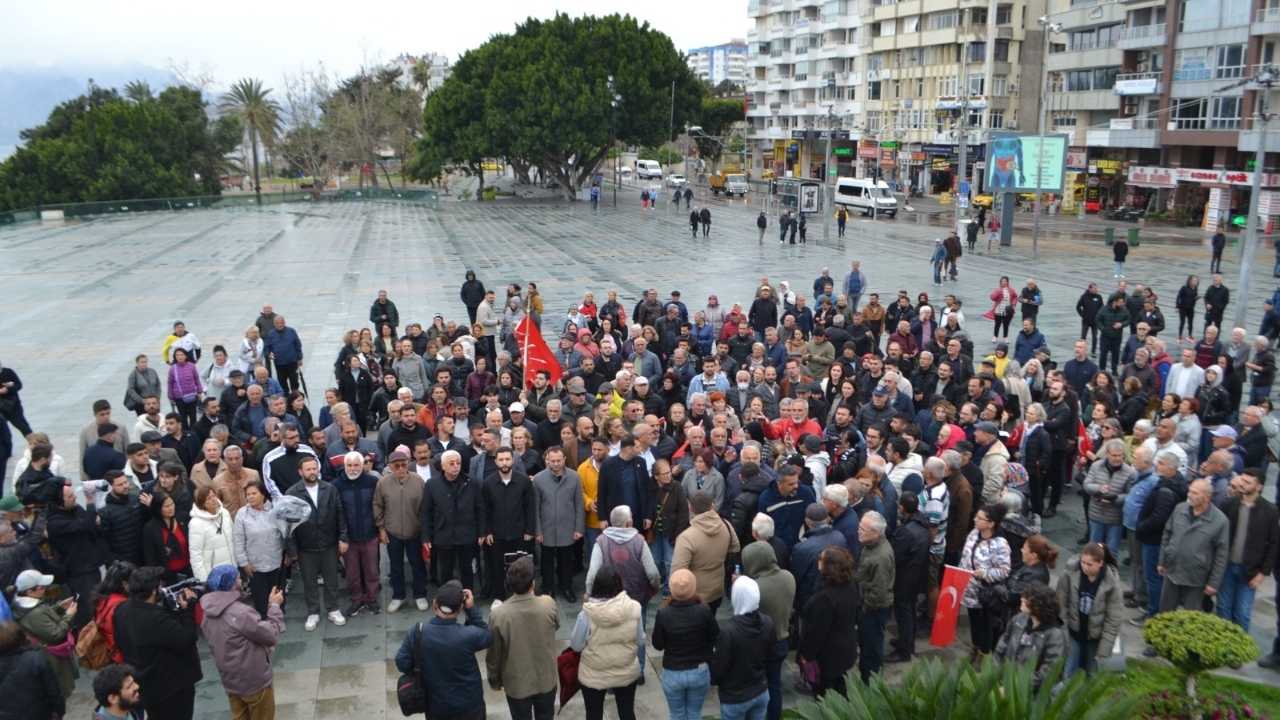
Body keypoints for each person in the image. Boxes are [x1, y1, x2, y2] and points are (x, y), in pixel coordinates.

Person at [113, 566, 203, 720]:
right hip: (171, 688)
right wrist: (187, 610)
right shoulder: (155, 618)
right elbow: (186, 639)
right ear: (154, 591)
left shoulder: (121, 610)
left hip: (144, 685)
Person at [396, 580, 491, 720]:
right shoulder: (469, 635)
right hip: (470, 706)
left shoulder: (417, 633)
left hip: (437, 707)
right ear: (460, 609)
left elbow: (402, 663)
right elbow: (487, 635)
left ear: (434, 604)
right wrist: (471, 609)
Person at [199, 565, 284, 720]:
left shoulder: (207, 614)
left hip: (231, 682)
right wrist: (274, 607)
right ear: (231, 584)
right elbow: (270, 634)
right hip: (255, 682)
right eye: (237, 578)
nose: (240, 580)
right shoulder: (240, 613)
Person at [487, 557, 559, 720]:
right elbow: (556, 625)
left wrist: (494, 680)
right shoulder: (548, 603)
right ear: (532, 583)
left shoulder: (498, 614)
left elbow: (494, 653)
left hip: (517, 684)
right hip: (545, 679)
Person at [570, 566, 644, 720]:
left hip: (593, 675)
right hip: (626, 672)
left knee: (593, 714)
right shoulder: (634, 608)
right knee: (627, 712)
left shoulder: (586, 615)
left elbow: (576, 646)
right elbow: (641, 640)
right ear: (619, 585)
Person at [285, 456, 348, 631]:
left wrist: (343, 538)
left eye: (314, 468)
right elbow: (288, 524)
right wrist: (292, 551)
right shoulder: (292, 493)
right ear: (300, 472)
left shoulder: (330, 489)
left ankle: (333, 609)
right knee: (309, 582)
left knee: (331, 580)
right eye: (308, 469)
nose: (312, 472)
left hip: (329, 544)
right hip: (305, 546)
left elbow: (339, 514)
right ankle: (313, 612)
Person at [652, 568, 718, 720]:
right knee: (695, 713)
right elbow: (715, 636)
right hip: (699, 671)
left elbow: (658, 645)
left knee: (677, 714)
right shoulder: (704, 611)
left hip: (673, 673)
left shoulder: (663, 614)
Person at [1217, 468, 1278, 631]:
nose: (1242, 484)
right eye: (1242, 480)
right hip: (1227, 566)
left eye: (1247, 482)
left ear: (1259, 487)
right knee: (1223, 609)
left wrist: (1262, 573)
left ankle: (1238, 653)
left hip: (1250, 570)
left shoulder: (1270, 511)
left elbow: (1274, 544)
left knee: (1242, 613)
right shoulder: (1230, 504)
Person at [1158, 478, 1228, 613]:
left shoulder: (1220, 521)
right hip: (1172, 570)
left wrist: (1213, 583)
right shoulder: (1179, 508)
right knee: (1165, 612)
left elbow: (1221, 555)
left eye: (1195, 493)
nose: (1189, 495)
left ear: (1207, 497)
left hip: (1196, 578)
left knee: (1191, 615)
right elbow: (1167, 534)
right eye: (1190, 491)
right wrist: (1162, 561)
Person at [799, 545, 860, 698]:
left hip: (828, 656)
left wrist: (806, 655)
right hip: (846, 647)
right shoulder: (851, 585)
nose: (818, 561)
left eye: (821, 559)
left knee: (825, 693)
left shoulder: (825, 599)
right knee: (840, 684)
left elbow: (816, 633)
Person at [1056, 543, 1123, 677]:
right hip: (1074, 632)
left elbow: (1113, 618)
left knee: (1092, 673)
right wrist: (1063, 628)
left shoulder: (1112, 583)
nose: (1084, 567)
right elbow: (1061, 602)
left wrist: (1104, 650)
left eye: (1089, 564)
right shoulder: (1070, 573)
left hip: (1095, 637)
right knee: (1069, 671)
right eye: (1083, 562)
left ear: (1100, 563)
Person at [712, 576, 773, 720]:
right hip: (760, 691)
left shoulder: (728, 631)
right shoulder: (768, 622)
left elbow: (719, 668)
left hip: (735, 698)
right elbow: (770, 655)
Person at [10, 569, 78, 699]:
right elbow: (56, 634)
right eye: (41, 587)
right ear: (29, 591)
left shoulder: (26, 605)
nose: (45, 588)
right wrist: (69, 616)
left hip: (44, 653)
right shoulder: (34, 613)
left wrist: (59, 607)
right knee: (59, 689)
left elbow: (43, 618)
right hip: (51, 658)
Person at [422, 450, 483, 590]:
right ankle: (447, 599)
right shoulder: (432, 484)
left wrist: (481, 532)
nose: (456, 466)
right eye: (452, 463)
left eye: (458, 463)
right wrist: (426, 537)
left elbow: (480, 508)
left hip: (466, 534)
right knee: (445, 570)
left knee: (466, 569)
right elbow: (426, 512)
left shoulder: (471, 482)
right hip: (444, 534)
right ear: (443, 466)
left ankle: (468, 597)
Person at [960, 503, 1012, 662]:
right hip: (969, 591)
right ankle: (975, 647)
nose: (975, 520)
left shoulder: (1000, 544)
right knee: (974, 622)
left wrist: (985, 574)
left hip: (985, 595)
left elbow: (1004, 570)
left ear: (991, 523)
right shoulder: (974, 533)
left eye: (980, 518)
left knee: (985, 625)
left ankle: (984, 654)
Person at [672, 490, 740, 611]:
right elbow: (735, 547)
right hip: (717, 590)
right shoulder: (726, 525)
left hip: (694, 595)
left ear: (690, 508)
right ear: (712, 505)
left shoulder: (686, 538)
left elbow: (678, 572)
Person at [533, 446, 584, 602]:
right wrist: (538, 531)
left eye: (558, 460)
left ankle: (566, 587)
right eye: (552, 461)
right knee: (546, 561)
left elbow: (579, 505)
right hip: (546, 528)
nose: (555, 464)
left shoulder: (575, 477)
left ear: (564, 460)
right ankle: (548, 588)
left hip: (567, 527)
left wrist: (578, 528)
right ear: (547, 460)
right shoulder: (539, 479)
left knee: (566, 561)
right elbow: (535, 507)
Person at [993, 584, 1067, 691]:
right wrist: (996, 675)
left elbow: (1048, 672)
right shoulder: (1018, 619)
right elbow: (1002, 646)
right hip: (1004, 683)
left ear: (1039, 605)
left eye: (1028, 598)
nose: (1022, 599)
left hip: (1028, 694)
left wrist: (1014, 687)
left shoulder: (1055, 635)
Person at [334, 450, 381, 616]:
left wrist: (379, 529)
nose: (353, 468)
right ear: (344, 466)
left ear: (363, 466)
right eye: (349, 465)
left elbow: (379, 506)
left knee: (372, 570)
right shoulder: (337, 485)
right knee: (352, 572)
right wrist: (341, 537)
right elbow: (336, 513)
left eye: (356, 465)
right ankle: (357, 600)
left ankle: (372, 599)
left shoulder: (373, 481)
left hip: (370, 535)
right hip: (349, 538)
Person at [232, 480, 287, 619]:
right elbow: (238, 540)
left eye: (254, 493)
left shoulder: (275, 510)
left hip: (276, 561)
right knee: (260, 597)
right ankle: (263, 622)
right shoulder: (242, 514)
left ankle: (278, 618)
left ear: (263, 494)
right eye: (248, 494)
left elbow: (284, 533)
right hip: (254, 564)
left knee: (277, 593)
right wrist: (243, 563)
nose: (250, 497)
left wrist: (287, 554)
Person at [888, 493, 929, 663]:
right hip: (917, 574)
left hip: (905, 577)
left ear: (903, 508)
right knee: (910, 610)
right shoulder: (923, 525)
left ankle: (904, 649)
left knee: (904, 613)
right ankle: (908, 642)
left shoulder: (906, 532)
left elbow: (895, 555)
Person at [854, 511, 894, 682]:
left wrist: (864, 608)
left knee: (872, 648)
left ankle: (870, 683)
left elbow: (879, 592)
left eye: (863, 529)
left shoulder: (881, 557)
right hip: (869, 605)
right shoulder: (870, 545)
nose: (858, 531)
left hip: (874, 610)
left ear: (877, 533)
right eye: (859, 527)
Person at [0, 620, 64, 720]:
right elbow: (53, 691)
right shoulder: (36, 659)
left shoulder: (35, 658)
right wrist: (59, 711)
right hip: (40, 714)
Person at [1083, 439, 1136, 550]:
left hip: (1115, 517)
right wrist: (1098, 489)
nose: (1117, 458)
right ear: (1107, 454)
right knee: (1094, 549)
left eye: (1120, 455)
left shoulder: (1130, 472)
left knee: (1112, 551)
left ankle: (1110, 568)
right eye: (1114, 455)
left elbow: (1130, 495)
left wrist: (1115, 498)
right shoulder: (1096, 466)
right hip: (1096, 513)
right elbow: (1086, 484)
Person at [187, 486, 236, 582]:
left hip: (232, 569)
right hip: (213, 575)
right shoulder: (196, 523)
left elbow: (233, 539)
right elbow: (196, 555)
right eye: (209, 498)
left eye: (214, 496)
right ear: (202, 503)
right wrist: (203, 580)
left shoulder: (224, 513)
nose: (213, 500)